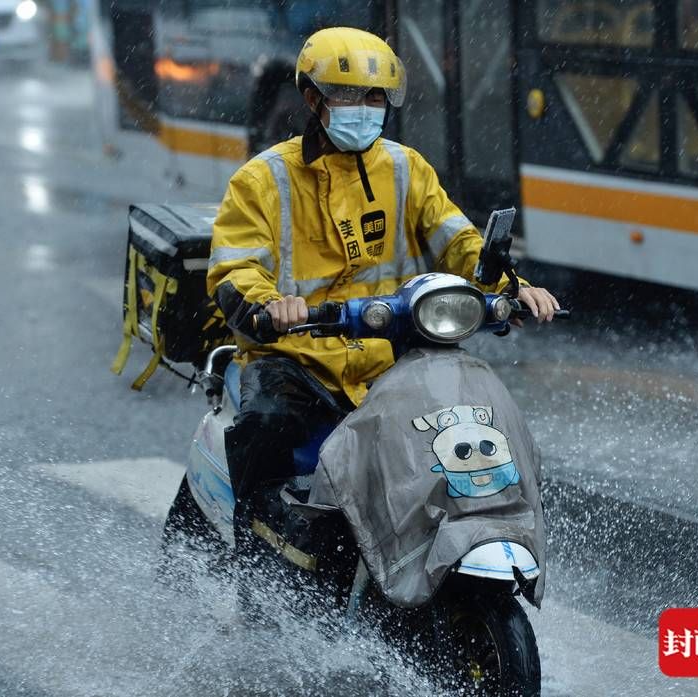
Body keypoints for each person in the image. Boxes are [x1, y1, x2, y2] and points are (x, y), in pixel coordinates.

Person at [206, 27, 560, 551]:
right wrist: (267, 305)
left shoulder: (404, 168)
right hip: (297, 358)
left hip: (395, 357)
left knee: (471, 434)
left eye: (376, 97)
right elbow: (234, 266)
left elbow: (457, 240)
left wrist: (513, 288)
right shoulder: (263, 179)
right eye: (349, 95)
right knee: (268, 426)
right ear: (313, 99)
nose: (365, 108)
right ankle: (255, 554)